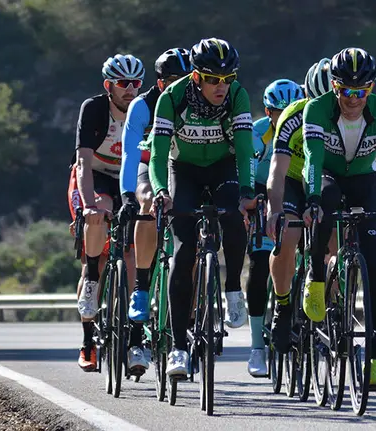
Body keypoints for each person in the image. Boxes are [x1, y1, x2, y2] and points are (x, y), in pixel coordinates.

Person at [302, 48, 376, 387]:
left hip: (364, 180)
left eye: (362, 91)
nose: (354, 99)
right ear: (334, 87)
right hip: (329, 178)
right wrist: (313, 199)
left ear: (371, 88)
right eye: (347, 91)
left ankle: (375, 359)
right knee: (328, 200)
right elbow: (313, 160)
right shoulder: (316, 110)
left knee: (375, 265)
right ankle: (317, 277)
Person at [148, 37, 256, 376]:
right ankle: (179, 348)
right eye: (213, 79)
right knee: (183, 254)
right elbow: (158, 155)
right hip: (185, 171)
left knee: (235, 220)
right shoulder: (172, 97)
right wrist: (160, 190)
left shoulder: (237, 95)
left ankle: (233, 287)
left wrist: (248, 191)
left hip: (223, 168)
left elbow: (243, 149)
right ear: (197, 77)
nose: (221, 86)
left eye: (228, 78)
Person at [69, 54, 145, 371]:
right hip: (96, 177)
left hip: (130, 178)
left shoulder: (145, 110)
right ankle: (88, 338)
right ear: (109, 86)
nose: (130, 89)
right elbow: (84, 163)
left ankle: (136, 341)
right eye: (122, 83)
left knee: (134, 257)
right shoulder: (94, 109)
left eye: (136, 83)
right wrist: (88, 205)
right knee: (98, 227)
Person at [118, 48, 192, 375]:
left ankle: (188, 319)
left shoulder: (201, 102)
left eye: (190, 79)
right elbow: (130, 158)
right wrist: (127, 196)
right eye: (176, 81)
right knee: (148, 202)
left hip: (181, 169)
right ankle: (142, 288)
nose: (185, 86)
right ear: (161, 83)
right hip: (148, 169)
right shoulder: (142, 106)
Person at [265, 59, 333, 354]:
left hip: (327, 180)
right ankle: (282, 305)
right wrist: (275, 210)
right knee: (288, 238)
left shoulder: (345, 115)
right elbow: (276, 171)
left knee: (335, 244)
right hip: (294, 180)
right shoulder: (292, 117)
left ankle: (332, 304)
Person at [247, 79, 304, 376]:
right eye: (276, 112)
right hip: (261, 194)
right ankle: (257, 346)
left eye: (287, 111)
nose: (283, 117)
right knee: (258, 264)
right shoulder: (257, 133)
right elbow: (243, 167)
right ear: (267, 112)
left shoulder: (304, 126)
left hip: (293, 191)